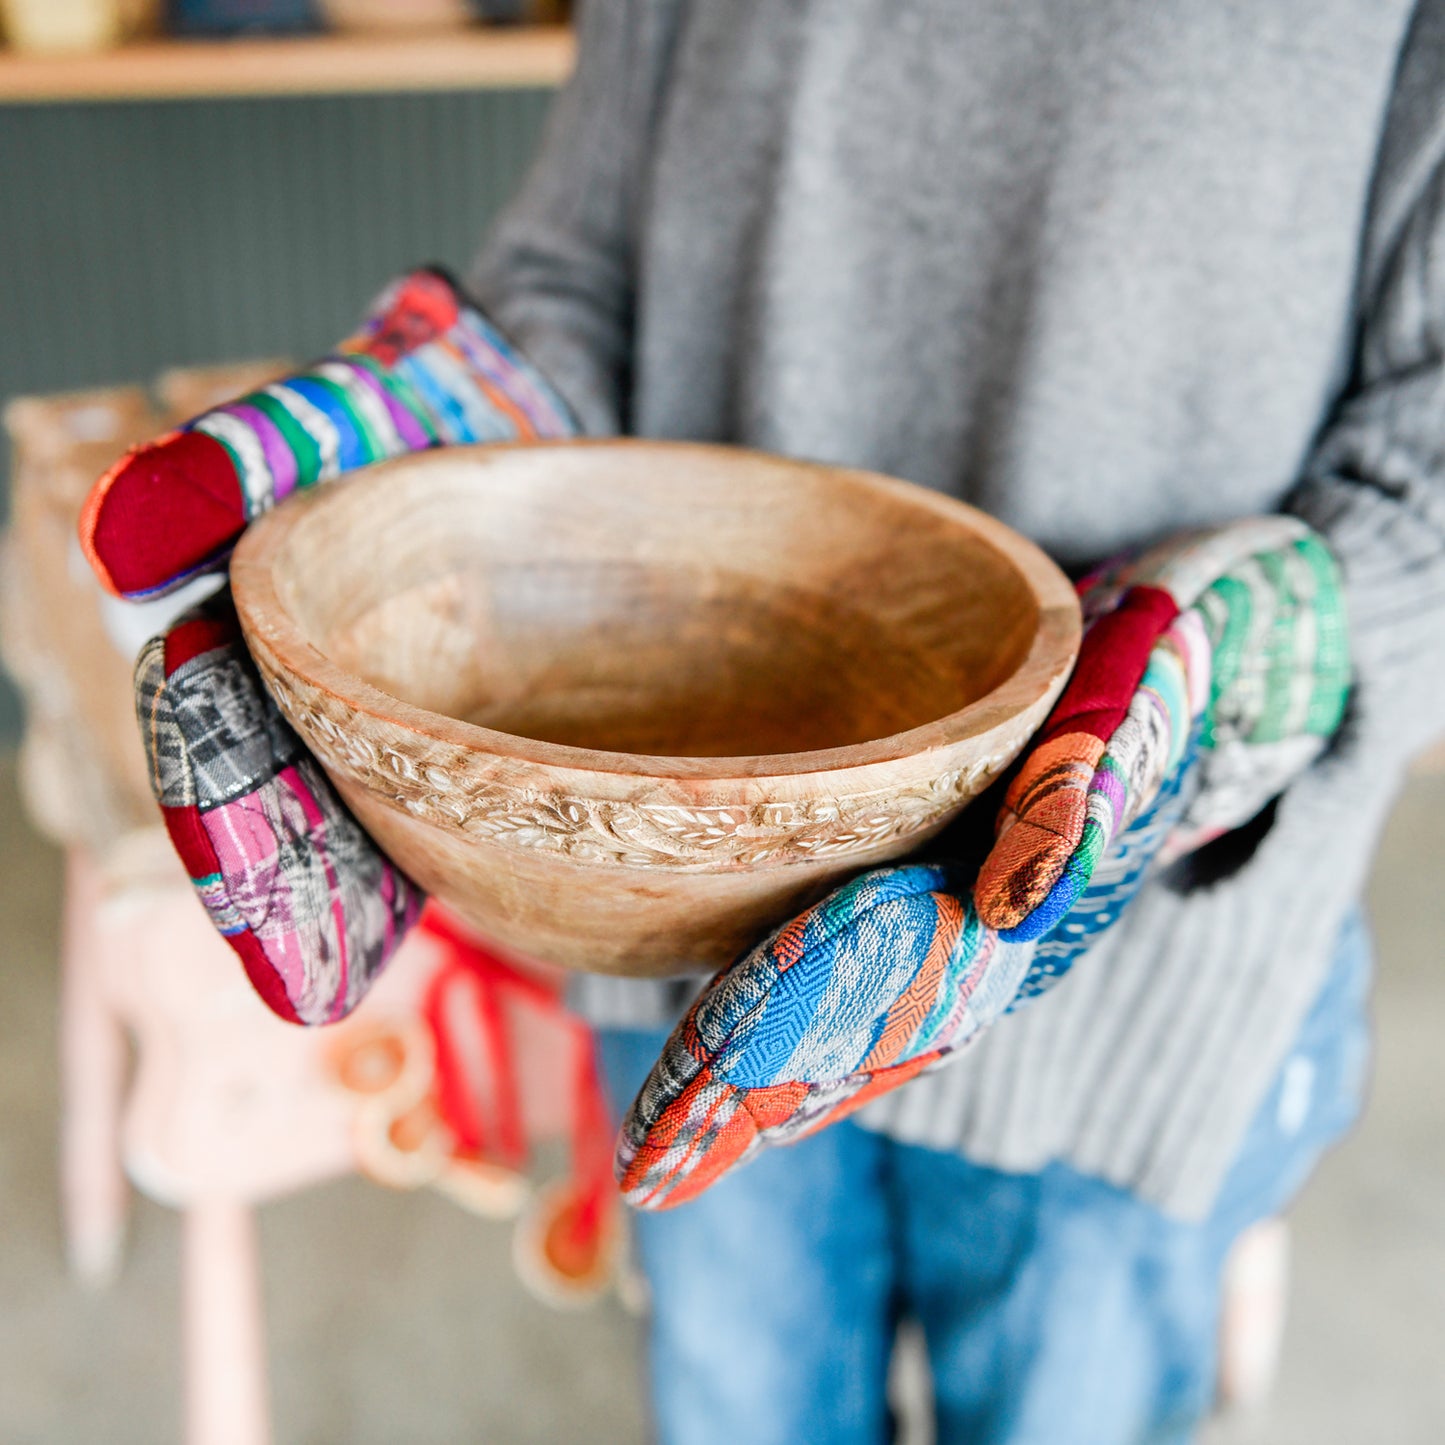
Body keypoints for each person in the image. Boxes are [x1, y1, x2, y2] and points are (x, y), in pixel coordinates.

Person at [78, 2, 1445, 1441]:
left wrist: (1203, 665)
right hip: (684, 920)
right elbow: (582, 271)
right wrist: (424, 447)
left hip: (1115, 943)